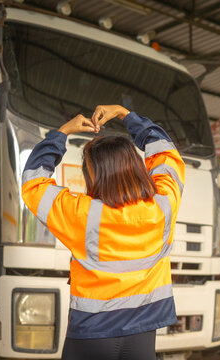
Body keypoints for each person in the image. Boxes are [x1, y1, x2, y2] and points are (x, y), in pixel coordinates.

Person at [21, 105, 185, 359]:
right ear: (135, 167)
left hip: (91, 335)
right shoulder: (163, 206)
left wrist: (62, 132)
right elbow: (165, 151)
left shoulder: (82, 214)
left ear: (93, 175)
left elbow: (33, 181)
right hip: (142, 336)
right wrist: (124, 114)